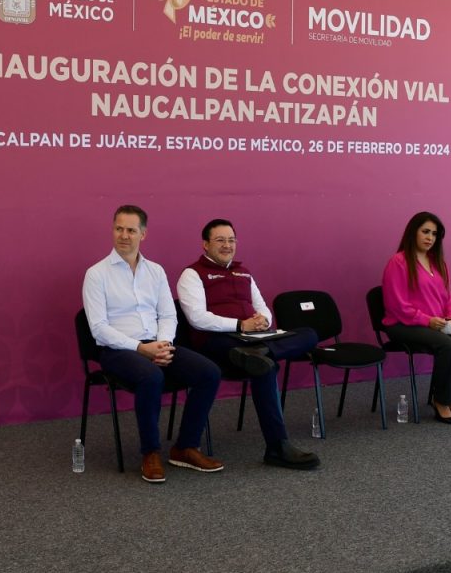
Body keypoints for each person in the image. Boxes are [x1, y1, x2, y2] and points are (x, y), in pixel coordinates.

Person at [82, 205, 224, 483]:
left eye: (131, 230)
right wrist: (140, 348)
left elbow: (168, 315)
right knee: (151, 376)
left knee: (210, 373)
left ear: (143, 234)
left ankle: (185, 447)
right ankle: (150, 452)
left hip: (157, 344)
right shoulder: (96, 274)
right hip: (117, 350)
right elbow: (99, 329)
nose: (124, 235)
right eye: (119, 229)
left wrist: (163, 345)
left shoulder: (155, 271)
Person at [176, 219, 320, 468]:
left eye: (231, 240)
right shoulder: (192, 274)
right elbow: (197, 319)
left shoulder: (244, 272)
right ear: (205, 244)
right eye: (220, 240)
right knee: (264, 367)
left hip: (252, 341)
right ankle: (278, 447)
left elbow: (262, 307)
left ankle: (262, 351)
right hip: (217, 342)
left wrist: (264, 320)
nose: (227, 245)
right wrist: (241, 325)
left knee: (308, 334)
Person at [381, 212, 451, 424]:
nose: (430, 238)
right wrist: (427, 320)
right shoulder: (398, 262)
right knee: (447, 345)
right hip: (403, 324)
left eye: (434, 234)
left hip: (436, 323)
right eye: (425, 231)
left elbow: (448, 298)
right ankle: (441, 401)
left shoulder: (438, 263)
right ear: (413, 232)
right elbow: (397, 305)